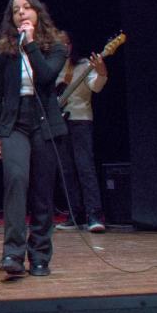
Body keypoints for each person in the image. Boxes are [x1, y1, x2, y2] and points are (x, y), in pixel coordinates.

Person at [0, 0, 68, 277]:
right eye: (15, 10)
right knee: (16, 180)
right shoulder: (4, 50)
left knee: (42, 193)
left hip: (44, 123)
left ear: (38, 13)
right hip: (14, 124)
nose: (21, 13)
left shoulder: (56, 47)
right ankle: (12, 252)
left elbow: (46, 78)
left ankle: (40, 255)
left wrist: (31, 44)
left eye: (26, 8)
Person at [55, 32, 109, 233]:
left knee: (85, 167)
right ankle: (74, 213)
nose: (62, 47)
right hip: (59, 123)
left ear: (71, 45)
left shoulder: (84, 64)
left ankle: (94, 213)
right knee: (66, 170)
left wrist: (102, 72)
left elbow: (96, 87)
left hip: (80, 120)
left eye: (65, 43)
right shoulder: (51, 66)